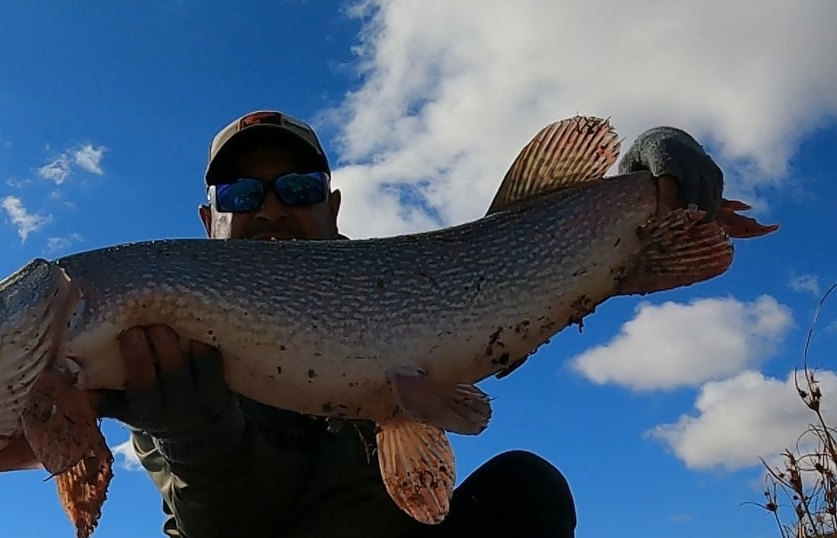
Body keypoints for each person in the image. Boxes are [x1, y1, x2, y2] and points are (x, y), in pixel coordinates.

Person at [93, 110, 726, 537]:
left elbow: (519, 271)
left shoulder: (399, 294)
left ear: (332, 207)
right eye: (240, 195)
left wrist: (646, 188)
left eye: (298, 188)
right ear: (210, 223)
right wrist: (196, 436)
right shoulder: (162, 344)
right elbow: (235, 524)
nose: (273, 209)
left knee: (526, 490)